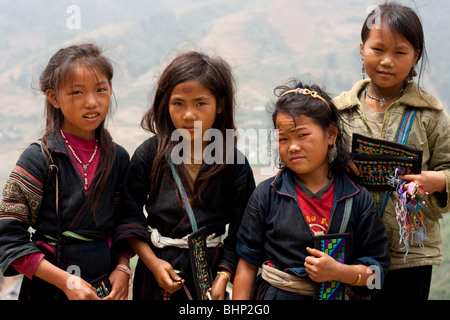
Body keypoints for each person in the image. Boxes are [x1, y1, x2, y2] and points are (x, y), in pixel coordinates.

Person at [114, 51, 256, 300]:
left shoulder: (234, 164)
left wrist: (223, 276)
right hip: (155, 272)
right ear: (165, 104)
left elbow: (243, 231)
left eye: (200, 103)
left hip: (209, 276)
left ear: (220, 104)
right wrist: (153, 263)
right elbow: (128, 215)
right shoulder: (150, 154)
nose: (189, 115)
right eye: (178, 103)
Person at [332, 3, 450, 300]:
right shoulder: (338, 112)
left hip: (409, 254)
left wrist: (437, 182)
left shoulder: (430, 114)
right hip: (349, 252)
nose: (387, 61)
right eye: (378, 49)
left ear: (416, 57)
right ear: (362, 50)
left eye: (400, 52)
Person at [232, 80, 390, 300]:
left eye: (302, 135)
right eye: (283, 138)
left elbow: (378, 277)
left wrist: (339, 272)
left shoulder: (356, 199)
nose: (293, 146)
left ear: (331, 134)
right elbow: (248, 265)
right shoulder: (266, 195)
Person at [0, 43, 131, 300]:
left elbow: (126, 222)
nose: (91, 102)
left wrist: (123, 266)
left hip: (101, 287)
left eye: (100, 89)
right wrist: (67, 283)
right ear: (53, 98)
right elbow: (8, 234)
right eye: (77, 92)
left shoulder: (118, 158)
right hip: (49, 288)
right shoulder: (39, 158)